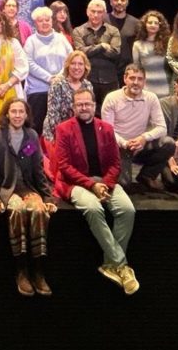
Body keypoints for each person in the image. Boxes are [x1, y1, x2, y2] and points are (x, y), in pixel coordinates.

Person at [53, 88, 139, 295]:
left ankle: (110, 264)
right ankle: (121, 264)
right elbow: (64, 166)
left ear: (94, 106)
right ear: (73, 107)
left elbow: (115, 164)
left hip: (105, 181)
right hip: (75, 182)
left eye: (87, 104)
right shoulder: (64, 129)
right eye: (79, 104)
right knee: (93, 208)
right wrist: (92, 186)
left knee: (128, 210)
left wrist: (105, 184)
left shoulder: (106, 128)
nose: (84, 107)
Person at [0, 98, 57, 297]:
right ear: (7, 114)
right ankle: (21, 270)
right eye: (13, 111)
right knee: (17, 210)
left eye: (20, 112)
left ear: (26, 115)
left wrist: (48, 198)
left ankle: (38, 271)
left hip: (28, 188)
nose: (17, 115)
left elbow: (39, 171)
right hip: (7, 190)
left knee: (39, 210)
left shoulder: (31, 136)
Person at [101, 64, 174, 191]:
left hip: (140, 146)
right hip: (118, 147)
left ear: (144, 81)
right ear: (125, 79)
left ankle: (147, 176)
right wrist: (124, 143)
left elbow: (162, 128)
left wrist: (143, 138)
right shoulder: (112, 98)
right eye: (132, 78)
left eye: (140, 79)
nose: (136, 82)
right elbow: (108, 131)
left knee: (168, 143)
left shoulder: (151, 98)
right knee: (124, 185)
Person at [23, 6, 71, 135]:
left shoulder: (61, 39)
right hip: (38, 91)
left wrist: (59, 77)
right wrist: (49, 78)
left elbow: (70, 59)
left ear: (52, 21)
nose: (45, 23)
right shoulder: (31, 41)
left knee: (60, 128)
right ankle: (30, 154)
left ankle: (56, 155)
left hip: (61, 89)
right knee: (34, 129)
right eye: (40, 20)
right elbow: (29, 63)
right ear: (35, 23)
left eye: (47, 20)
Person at [72, 0, 122, 105]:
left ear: (104, 13)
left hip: (110, 79)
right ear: (87, 12)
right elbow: (81, 53)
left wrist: (91, 50)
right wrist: (102, 46)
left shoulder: (113, 30)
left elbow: (115, 53)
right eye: (93, 11)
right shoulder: (78, 31)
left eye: (99, 12)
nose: (95, 15)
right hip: (87, 80)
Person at [42, 50, 94, 144]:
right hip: (57, 134)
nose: (77, 67)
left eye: (80, 64)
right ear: (67, 66)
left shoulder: (88, 85)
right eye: (73, 63)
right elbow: (53, 115)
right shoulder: (58, 84)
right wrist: (63, 137)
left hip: (79, 133)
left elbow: (89, 111)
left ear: (85, 67)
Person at [132, 9, 172, 99]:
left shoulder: (167, 43)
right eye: (150, 22)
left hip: (166, 87)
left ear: (160, 26)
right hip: (146, 89)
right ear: (144, 25)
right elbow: (136, 68)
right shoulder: (137, 45)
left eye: (156, 23)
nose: (153, 25)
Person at [108, 0, 140, 70]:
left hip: (128, 69)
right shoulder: (103, 20)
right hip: (107, 68)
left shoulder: (136, 23)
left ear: (127, 2)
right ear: (111, 2)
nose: (119, 2)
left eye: (122, 0)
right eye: (116, 0)